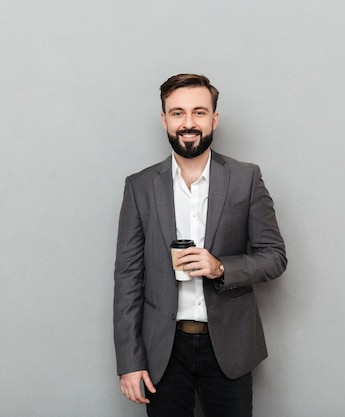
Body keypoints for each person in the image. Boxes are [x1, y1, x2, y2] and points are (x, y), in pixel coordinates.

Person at [113, 73, 287, 417]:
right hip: (163, 350)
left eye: (199, 112)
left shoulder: (246, 178)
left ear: (214, 119)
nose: (188, 123)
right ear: (164, 119)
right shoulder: (140, 186)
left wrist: (220, 267)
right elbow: (128, 278)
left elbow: (275, 257)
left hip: (230, 346)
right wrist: (129, 361)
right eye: (177, 113)